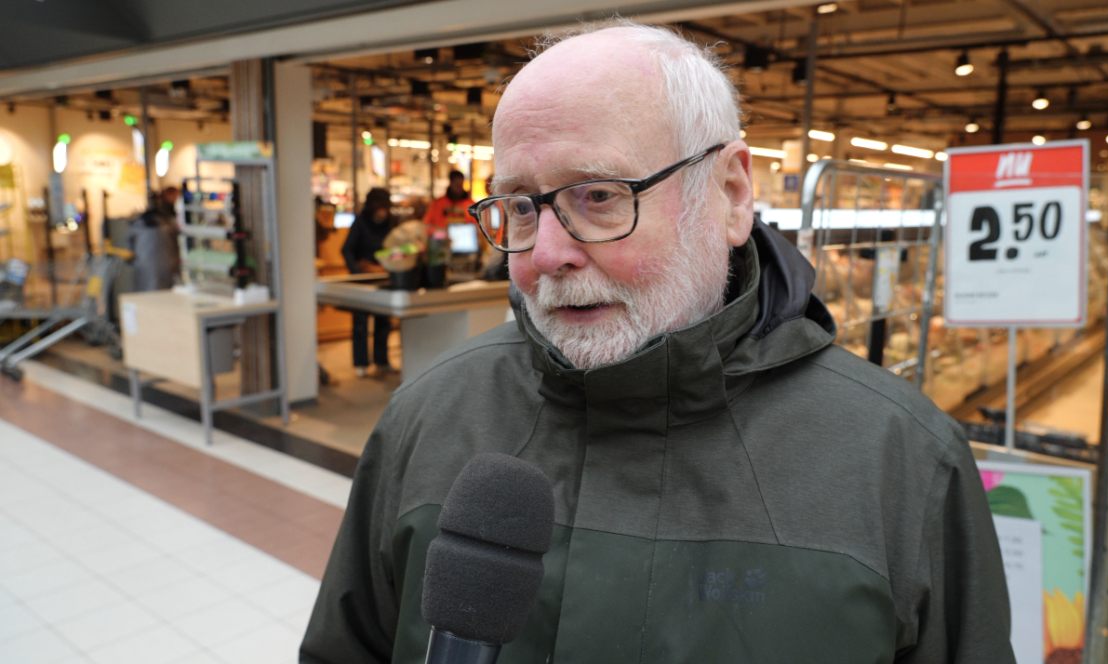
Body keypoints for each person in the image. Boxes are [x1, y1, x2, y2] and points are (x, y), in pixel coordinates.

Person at [302, 23, 1014, 664]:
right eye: (521, 206)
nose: (547, 254)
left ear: (732, 194)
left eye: (600, 196)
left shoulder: (906, 462)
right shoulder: (426, 418)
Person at [341, 188, 396, 376]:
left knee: (384, 321)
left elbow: (395, 247)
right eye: (380, 207)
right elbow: (346, 249)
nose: (383, 211)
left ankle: (382, 360)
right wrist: (357, 272)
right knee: (360, 323)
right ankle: (361, 363)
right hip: (362, 280)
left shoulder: (389, 223)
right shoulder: (360, 222)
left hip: (383, 277)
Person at [127, 187, 180, 292]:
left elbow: (128, 245)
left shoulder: (164, 223)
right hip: (160, 266)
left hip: (153, 267)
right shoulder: (165, 223)